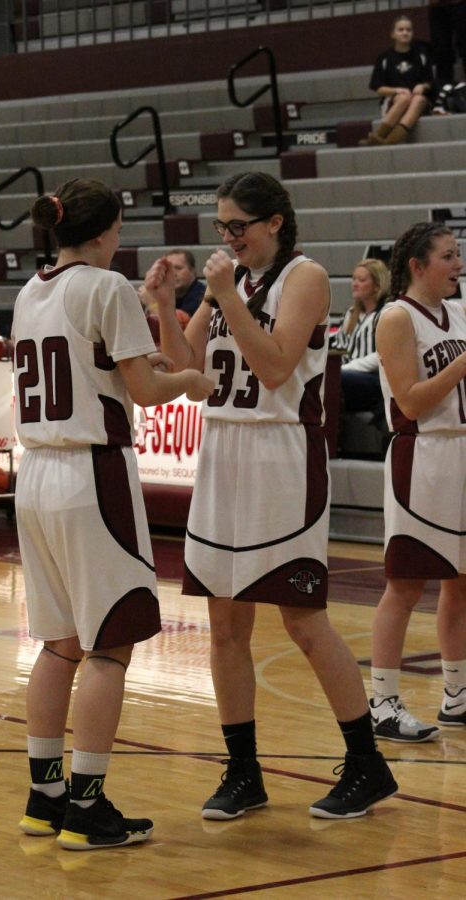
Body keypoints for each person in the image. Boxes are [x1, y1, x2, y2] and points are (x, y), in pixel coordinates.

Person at [144, 171, 397, 820]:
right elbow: (182, 368)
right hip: (223, 452)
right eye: (221, 227)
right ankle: (243, 771)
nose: (228, 238)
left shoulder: (304, 277)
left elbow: (278, 365)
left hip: (283, 454)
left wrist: (224, 296)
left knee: (302, 620)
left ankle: (366, 761)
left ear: (275, 223)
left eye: (239, 226)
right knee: (225, 624)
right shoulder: (233, 281)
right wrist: (163, 305)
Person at [12, 178, 214, 850]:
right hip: (91, 471)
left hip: (35, 473)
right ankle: (88, 805)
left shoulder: (30, 290)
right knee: (109, 643)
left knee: (59, 641)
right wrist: (189, 381)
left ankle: (45, 796)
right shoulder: (105, 287)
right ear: (106, 232)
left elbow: (87, 367)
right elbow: (150, 392)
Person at [370, 221, 466, 742]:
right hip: (422, 455)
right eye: (448, 257)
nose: (458, 265)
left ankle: (458, 695)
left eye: (458, 255)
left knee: (462, 582)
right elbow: (410, 400)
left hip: (462, 453)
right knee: (405, 586)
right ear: (417, 266)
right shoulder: (396, 317)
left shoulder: (459, 311)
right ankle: (383, 702)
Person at [362, 15, 434, 146]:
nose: (405, 33)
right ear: (392, 34)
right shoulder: (384, 58)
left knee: (418, 99)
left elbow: (430, 82)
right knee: (403, 98)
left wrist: (423, 86)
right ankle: (380, 135)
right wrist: (396, 90)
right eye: (400, 30)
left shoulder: (422, 55)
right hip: (395, 102)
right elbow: (377, 87)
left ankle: (389, 142)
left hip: (417, 103)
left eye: (408, 30)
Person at [332, 258, 390, 414]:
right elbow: (339, 347)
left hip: (374, 378)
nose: (355, 284)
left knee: (336, 380)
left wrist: (343, 369)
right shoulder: (351, 313)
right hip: (348, 374)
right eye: (354, 279)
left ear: (377, 285)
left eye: (362, 280)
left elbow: (381, 356)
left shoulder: (386, 314)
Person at [429, 0, 466, 89]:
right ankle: (444, 88)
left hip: (460, 4)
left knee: (464, 46)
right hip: (437, 7)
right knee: (440, 48)